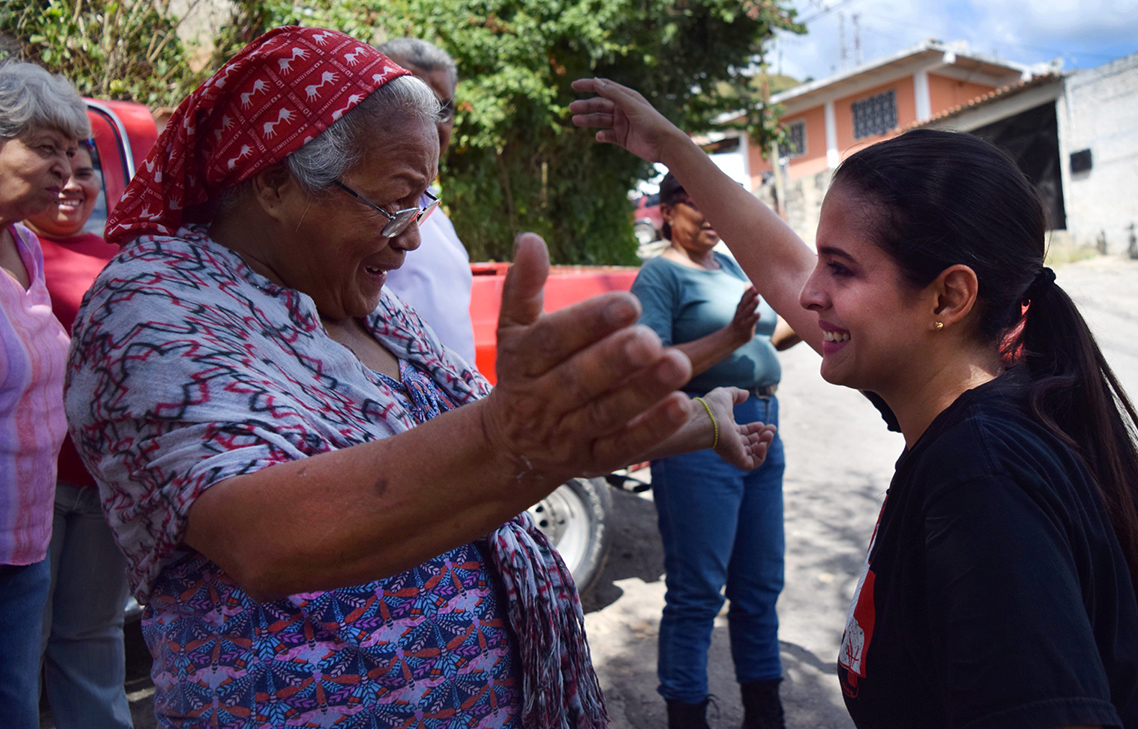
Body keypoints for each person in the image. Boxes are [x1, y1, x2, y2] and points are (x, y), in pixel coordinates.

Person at [65, 28, 777, 729]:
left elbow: (524, 437)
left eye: (422, 202)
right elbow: (263, 537)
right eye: (396, 198)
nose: (410, 237)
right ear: (276, 182)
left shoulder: (381, 312)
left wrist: (701, 419)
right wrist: (508, 439)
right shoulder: (154, 307)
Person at [570, 78, 1138, 728]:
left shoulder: (983, 484)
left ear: (948, 299)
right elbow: (785, 271)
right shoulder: (972, 408)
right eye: (820, 262)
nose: (809, 294)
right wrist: (673, 146)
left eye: (840, 268)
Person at [631, 171, 799, 729]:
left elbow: (762, 336)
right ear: (667, 212)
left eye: (713, 205)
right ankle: (686, 715)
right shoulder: (659, 275)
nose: (707, 215)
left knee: (759, 584)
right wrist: (727, 339)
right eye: (691, 203)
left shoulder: (729, 268)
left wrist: (809, 318)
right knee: (698, 589)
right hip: (698, 430)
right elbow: (651, 369)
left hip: (763, 423)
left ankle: (765, 713)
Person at [24, 141, 133, 729]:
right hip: (29, 483)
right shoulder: (14, 249)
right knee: (23, 637)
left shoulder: (121, 255)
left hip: (103, 483)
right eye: (54, 167)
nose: (69, 183)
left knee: (92, 634)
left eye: (83, 171)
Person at [0, 61, 88, 728]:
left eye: (73, 150)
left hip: (24, 542)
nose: (67, 168)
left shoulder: (24, 245)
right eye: (46, 147)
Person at [377, 37, 476, 364]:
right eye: (414, 99)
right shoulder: (351, 208)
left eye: (443, 108)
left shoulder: (437, 217)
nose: (431, 119)